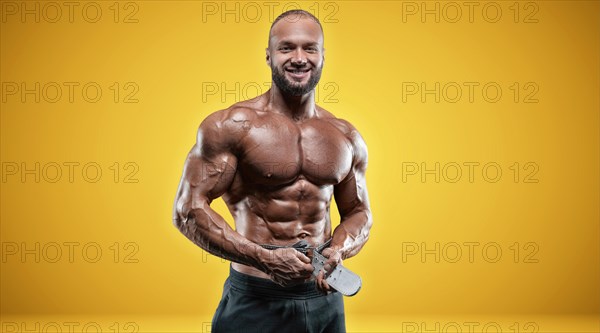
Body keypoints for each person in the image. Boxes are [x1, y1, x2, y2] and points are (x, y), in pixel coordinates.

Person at [173, 9, 372, 333]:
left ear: (322, 55)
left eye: (309, 48)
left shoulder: (345, 136)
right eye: (286, 47)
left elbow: (359, 212)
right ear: (269, 55)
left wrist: (338, 249)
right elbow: (187, 210)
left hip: (325, 299)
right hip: (255, 299)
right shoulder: (231, 126)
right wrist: (261, 257)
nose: (299, 57)